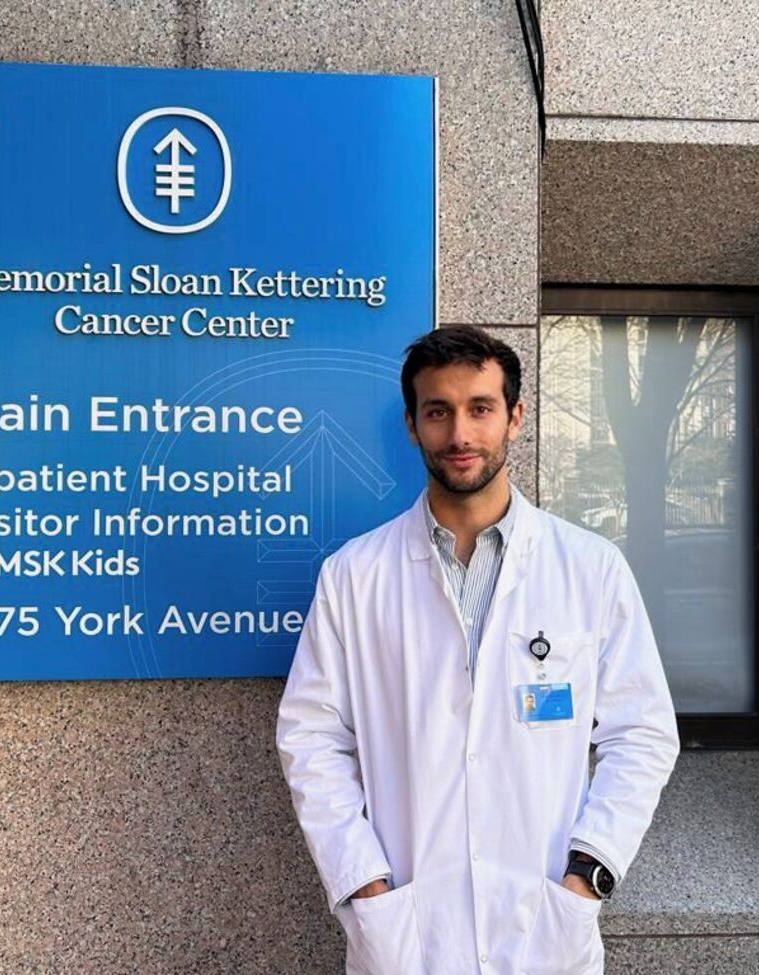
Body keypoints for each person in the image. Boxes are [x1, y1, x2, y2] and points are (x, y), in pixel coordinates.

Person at [276, 325, 680, 975]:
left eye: (480, 408)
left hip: (545, 924)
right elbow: (311, 736)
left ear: (515, 417)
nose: (459, 434)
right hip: (407, 929)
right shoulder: (355, 575)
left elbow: (644, 733)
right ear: (411, 425)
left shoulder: (590, 568)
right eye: (438, 411)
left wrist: (589, 872)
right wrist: (363, 883)